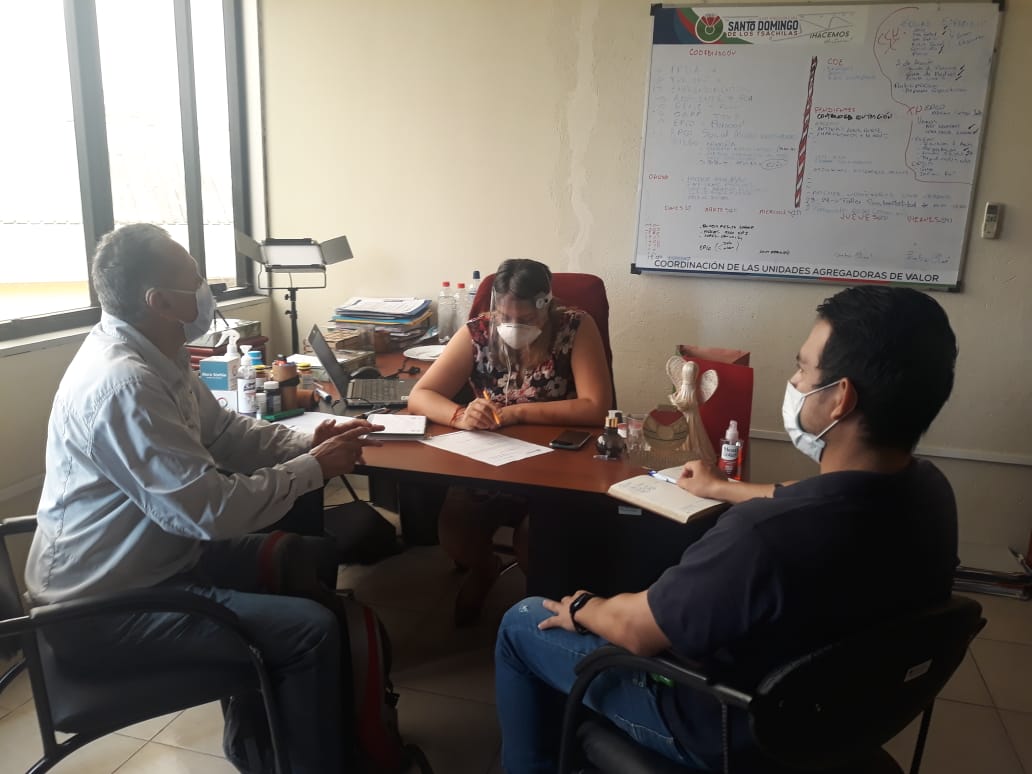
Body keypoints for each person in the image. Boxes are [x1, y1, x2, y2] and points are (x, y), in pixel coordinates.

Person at [494, 285, 959, 772]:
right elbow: (806, 494)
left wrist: (586, 607)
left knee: (523, 621)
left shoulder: (762, 537)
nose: (794, 381)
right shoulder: (929, 492)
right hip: (841, 716)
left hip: (721, 726)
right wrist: (723, 487)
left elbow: (635, 631)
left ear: (840, 399)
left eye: (803, 369)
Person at [24, 223, 384, 774]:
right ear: (160, 302)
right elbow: (210, 512)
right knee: (309, 631)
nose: (206, 290)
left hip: (154, 562)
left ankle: (261, 745)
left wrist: (309, 441)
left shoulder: (160, 354)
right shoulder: (126, 384)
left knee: (304, 556)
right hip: (101, 610)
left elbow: (226, 435)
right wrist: (314, 469)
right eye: (195, 281)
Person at [407, 259, 612, 624]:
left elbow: (596, 407)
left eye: (526, 318)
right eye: (505, 317)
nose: (513, 326)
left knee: (537, 540)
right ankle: (484, 568)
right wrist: (460, 415)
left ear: (546, 304)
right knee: (455, 528)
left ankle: (536, 608)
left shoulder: (575, 326)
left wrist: (516, 413)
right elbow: (420, 395)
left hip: (555, 463)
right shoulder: (479, 331)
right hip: (490, 459)